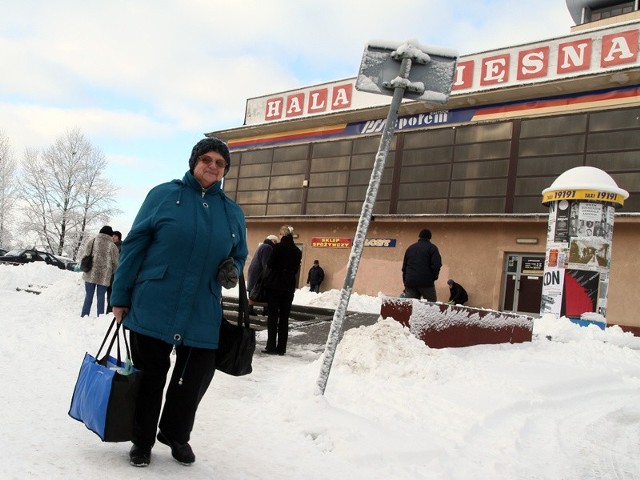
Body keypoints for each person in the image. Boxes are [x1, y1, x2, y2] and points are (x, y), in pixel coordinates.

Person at [110, 137, 248, 468]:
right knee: (150, 377)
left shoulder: (231, 213)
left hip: (202, 309)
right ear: (194, 161)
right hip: (154, 302)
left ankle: (175, 434)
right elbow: (134, 247)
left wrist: (233, 269)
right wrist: (120, 296)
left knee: (193, 380)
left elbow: (239, 255)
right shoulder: (163, 195)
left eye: (220, 163)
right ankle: (141, 442)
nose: (213, 166)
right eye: (207, 159)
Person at [262, 225, 302, 355]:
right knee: (284, 318)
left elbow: (270, 264)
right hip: (289, 286)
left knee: (273, 317)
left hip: (275, 285)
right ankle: (282, 348)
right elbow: (296, 270)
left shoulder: (277, 248)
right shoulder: (297, 251)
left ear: (282, 235)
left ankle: (271, 346)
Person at [80, 225, 119, 317]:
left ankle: (84, 315)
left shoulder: (92, 241)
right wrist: (111, 271)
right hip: (104, 276)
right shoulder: (112, 246)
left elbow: (85, 255)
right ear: (110, 235)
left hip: (90, 274)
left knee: (88, 296)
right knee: (101, 298)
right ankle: (100, 317)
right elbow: (116, 263)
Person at [402, 228, 442, 302]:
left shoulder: (410, 248)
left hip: (410, 281)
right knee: (431, 304)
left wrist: (406, 281)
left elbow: (404, 268)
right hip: (426, 282)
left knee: (411, 306)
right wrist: (433, 278)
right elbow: (436, 265)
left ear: (419, 237)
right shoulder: (432, 248)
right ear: (429, 238)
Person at [246, 234, 278, 316]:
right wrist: (269, 274)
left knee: (253, 291)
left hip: (254, 272)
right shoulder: (268, 247)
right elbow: (266, 263)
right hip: (259, 273)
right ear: (273, 241)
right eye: (276, 242)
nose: (276, 244)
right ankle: (266, 310)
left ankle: (250, 309)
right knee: (263, 290)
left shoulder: (262, 246)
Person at [106, 230, 123, 314]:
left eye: (115, 236)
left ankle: (113, 310)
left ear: (119, 237)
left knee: (114, 292)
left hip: (117, 273)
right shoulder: (109, 246)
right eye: (112, 236)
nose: (113, 237)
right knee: (109, 292)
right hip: (109, 272)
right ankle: (109, 310)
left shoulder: (122, 247)